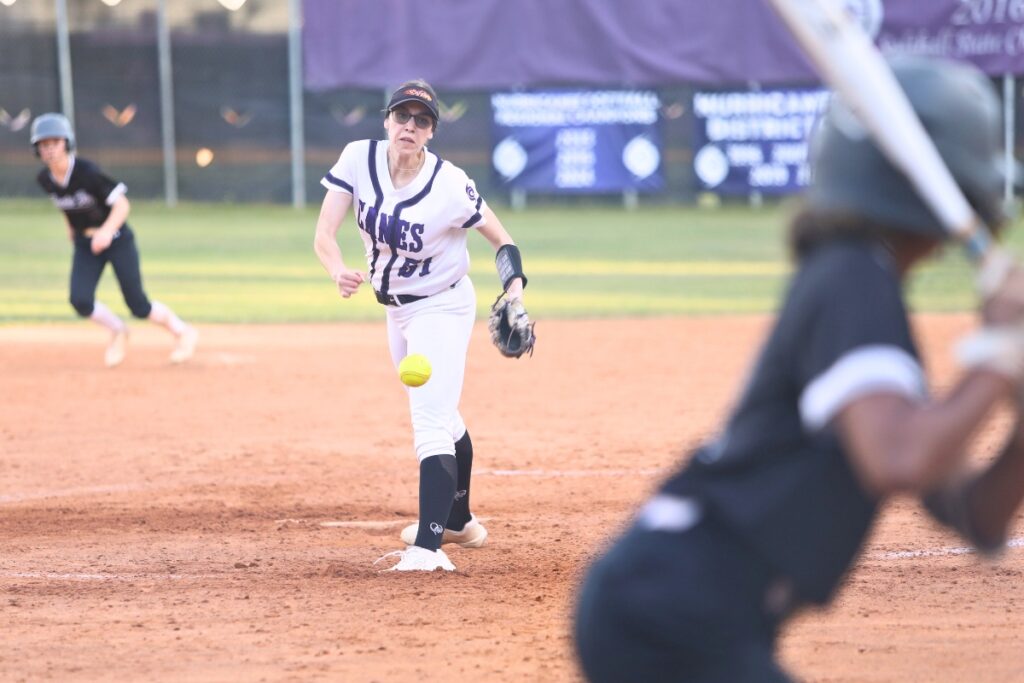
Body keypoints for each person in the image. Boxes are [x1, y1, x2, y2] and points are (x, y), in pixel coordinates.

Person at [574, 57, 1024, 683]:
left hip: (690, 612)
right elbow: (898, 460)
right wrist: (999, 355)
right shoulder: (850, 281)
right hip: (666, 610)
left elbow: (976, 515)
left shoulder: (864, 291)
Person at [313, 80, 530, 572]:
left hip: (443, 307)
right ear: (387, 120)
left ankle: (428, 550)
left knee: (429, 421)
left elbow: (503, 241)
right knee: (442, 414)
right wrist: (336, 269)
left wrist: (514, 292)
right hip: (397, 311)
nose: (409, 126)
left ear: (432, 131)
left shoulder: (450, 184)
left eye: (422, 119)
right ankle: (459, 521)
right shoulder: (358, 159)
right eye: (402, 116)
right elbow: (324, 232)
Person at [31, 112, 198, 368]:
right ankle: (118, 330)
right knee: (80, 300)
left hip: (118, 240)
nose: (50, 149)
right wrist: (71, 229)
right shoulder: (45, 179)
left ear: (67, 143)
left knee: (138, 304)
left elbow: (122, 205)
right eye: (44, 144)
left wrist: (106, 231)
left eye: (55, 142)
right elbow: (65, 204)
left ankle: (183, 332)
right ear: (37, 149)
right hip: (86, 244)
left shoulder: (87, 172)